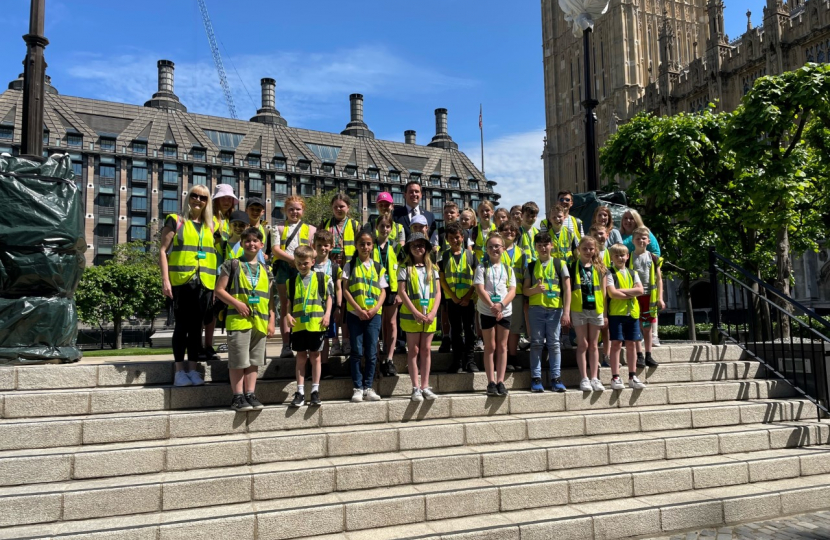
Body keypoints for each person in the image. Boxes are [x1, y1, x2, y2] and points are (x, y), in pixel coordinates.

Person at [213, 227, 276, 411]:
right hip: (238, 320)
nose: (251, 244)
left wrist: (272, 320)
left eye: (255, 241)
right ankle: (237, 396)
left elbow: (270, 299)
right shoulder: (232, 264)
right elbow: (219, 290)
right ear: (241, 243)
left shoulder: (267, 269)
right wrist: (237, 304)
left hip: (260, 321)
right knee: (239, 360)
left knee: (254, 361)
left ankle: (250, 393)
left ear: (261, 244)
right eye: (247, 241)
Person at [159, 184, 215, 386]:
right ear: (188, 197)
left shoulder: (211, 226)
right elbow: (163, 251)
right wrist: (165, 280)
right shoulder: (176, 221)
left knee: (196, 328)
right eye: (194, 196)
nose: (198, 200)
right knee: (181, 327)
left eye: (203, 197)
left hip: (205, 283)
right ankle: (179, 371)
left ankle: (192, 369)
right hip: (181, 282)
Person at [286, 246, 334, 407]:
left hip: (316, 324)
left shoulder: (322, 278)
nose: (302, 266)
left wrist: (327, 314)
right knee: (300, 357)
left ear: (313, 262)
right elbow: (289, 302)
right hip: (299, 325)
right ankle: (299, 391)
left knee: (315, 357)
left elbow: (329, 298)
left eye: (305, 263)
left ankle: (315, 390)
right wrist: (287, 314)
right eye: (299, 263)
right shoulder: (291, 282)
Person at [342, 231, 387, 402]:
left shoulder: (377, 266)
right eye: (362, 243)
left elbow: (383, 290)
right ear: (356, 245)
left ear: (372, 246)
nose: (365, 247)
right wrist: (359, 309)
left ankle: (369, 386)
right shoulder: (350, 265)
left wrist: (375, 308)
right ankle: (357, 387)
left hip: (374, 315)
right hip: (355, 314)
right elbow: (345, 290)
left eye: (368, 244)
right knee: (356, 351)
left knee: (371, 352)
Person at [523, 232, 570, 392]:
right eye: (540, 245)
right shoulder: (531, 265)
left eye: (546, 244)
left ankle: (556, 379)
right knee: (536, 343)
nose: (543, 248)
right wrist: (535, 290)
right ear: (535, 247)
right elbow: (525, 291)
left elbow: (567, 289)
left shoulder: (559, 263)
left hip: (555, 310)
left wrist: (566, 312)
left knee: (554, 344)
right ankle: (536, 378)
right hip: (536, 309)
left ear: (551, 245)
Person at [397, 232, 441, 401]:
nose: (418, 248)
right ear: (409, 247)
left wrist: (433, 312)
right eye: (415, 245)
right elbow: (402, 291)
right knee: (413, 350)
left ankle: (425, 385)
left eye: (421, 245)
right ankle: (415, 387)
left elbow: (438, 293)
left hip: (429, 315)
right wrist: (415, 312)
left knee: (426, 349)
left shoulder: (433, 268)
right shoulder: (404, 268)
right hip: (411, 316)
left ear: (427, 248)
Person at [273, 196, 316, 359]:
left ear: (303, 211)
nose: (294, 212)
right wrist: (292, 260)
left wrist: (304, 262)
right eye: (291, 209)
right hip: (284, 268)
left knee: (303, 304)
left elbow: (315, 250)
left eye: (298, 209)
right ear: (285, 210)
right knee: (285, 305)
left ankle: (302, 341)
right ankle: (286, 345)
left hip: (303, 270)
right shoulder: (277, 228)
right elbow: (276, 249)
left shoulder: (311, 229)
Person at [475, 232, 516, 397]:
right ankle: (490, 381)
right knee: (490, 347)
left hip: (505, 311)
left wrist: (501, 305)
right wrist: (493, 306)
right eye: (490, 246)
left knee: (502, 346)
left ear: (503, 248)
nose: (494, 249)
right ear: (486, 249)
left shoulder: (508, 268)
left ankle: (501, 381)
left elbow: (512, 290)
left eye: (497, 246)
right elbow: (479, 288)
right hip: (487, 310)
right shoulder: (481, 267)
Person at [321, 193, 361, 356]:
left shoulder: (355, 224)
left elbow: (361, 246)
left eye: (342, 206)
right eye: (336, 206)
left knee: (345, 306)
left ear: (348, 208)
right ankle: (334, 342)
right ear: (332, 207)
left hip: (348, 269)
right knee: (332, 304)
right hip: (330, 268)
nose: (339, 209)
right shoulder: (325, 224)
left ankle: (346, 340)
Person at [431, 202, 471, 353]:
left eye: (452, 212)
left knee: (464, 316)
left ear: (457, 214)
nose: (449, 215)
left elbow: (469, 251)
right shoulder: (439, 232)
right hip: (445, 274)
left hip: (462, 277)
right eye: (446, 212)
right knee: (445, 309)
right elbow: (435, 250)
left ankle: (465, 343)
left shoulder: (465, 233)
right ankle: (446, 337)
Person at [204, 184, 238, 361]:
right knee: (209, 309)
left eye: (229, 197)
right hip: (210, 269)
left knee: (223, 309)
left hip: (230, 270)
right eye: (223, 197)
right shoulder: (208, 218)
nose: (226, 200)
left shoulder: (232, 220)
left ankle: (227, 345)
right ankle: (206, 345)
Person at [439, 222, 478, 373]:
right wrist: (453, 297)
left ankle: (470, 360)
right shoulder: (444, 256)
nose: (455, 240)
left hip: (468, 300)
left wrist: (468, 296)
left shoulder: (471, 255)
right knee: (455, 331)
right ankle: (457, 362)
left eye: (457, 237)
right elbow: (442, 280)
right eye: (451, 238)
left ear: (462, 237)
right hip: (453, 300)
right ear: (447, 240)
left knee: (470, 330)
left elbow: (476, 278)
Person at [605, 244, 646, 390]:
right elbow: (612, 293)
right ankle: (615, 376)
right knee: (616, 344)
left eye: (623, 255)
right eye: (616, 255)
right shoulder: (609, 273)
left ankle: (632, 375)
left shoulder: (632, 273)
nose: (620, 258)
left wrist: (622, 291)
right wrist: (631, 292)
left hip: (632, 313)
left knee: (631, 344)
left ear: (627, 256)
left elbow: (640, 290)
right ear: (611, 258)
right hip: (617, 313)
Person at [620, 209, 663, 347]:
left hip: (647, 275)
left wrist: (649, 262)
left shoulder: (645, 232)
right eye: (625, 218)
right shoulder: (619, 235)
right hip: (630, 277)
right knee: (635, 312)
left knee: (650, 309)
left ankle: (653, 336)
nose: (628, 221)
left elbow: (656, 251)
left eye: (631, 218)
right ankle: (635, 336)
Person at [570, 236, 608, 392]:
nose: (588, 251)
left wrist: (605, 314)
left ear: (595, 250)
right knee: (583, 344)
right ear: (579, 249)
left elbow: (604, 293)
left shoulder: (600, 268)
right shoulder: (572, 266)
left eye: (591, 249)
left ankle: (594, 378)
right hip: (578, 308)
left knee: (593, 344)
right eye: (584, 248)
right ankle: (584, 378)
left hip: (596, 309)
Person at [630, 227, 665, 368]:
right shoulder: (629, 257)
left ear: (648, 240)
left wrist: (660, 298)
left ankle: (649, 354)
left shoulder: (653, 258)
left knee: (647, 327)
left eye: (643, 238)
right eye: (638, 239)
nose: (641, 241)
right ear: (633, 241)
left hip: (649, 298)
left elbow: (659, 279)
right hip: (635, 297)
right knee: (637, 326)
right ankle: (639, 355)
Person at [373, 215, 401, 377]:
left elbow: (401, 269)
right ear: (377, 227)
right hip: (375, 290)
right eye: (382, 226)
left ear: (391, 229)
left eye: (387, 226)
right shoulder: (371, 245)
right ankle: (375, 357)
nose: (384, 229)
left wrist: (399, 292)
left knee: (391, 324)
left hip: (391, 289)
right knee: (376, 325)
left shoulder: (396, 246)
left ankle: (389, 358)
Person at [311, 230, 342, 371]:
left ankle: (324, 365)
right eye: (319, 245)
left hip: (328, 308)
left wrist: (338, 307)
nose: (323, 248)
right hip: (311, 307)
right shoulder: (309, 266)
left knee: (325, 338)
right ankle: (313, 366)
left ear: (331, 246)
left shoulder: (335, 267)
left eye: (326, 245)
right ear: (313, 245)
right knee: (311, 337)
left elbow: (338, 288)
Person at [498, 221, 527, 372]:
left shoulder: (521, 252)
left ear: (516, 233)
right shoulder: (496, 250)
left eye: (512, 230)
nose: (509, 232)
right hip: (500, 296)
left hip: (517, 294)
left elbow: (526, 274)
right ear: (500, 232)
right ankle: (502, 357)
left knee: (515, 328)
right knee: (502, 327)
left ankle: (513, 356)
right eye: (505, 230)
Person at [590, 224, 614, 368]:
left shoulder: (611, 253)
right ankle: (595, 357)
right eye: (596, 235)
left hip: (609, 294)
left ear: (607, 235)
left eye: (601, 234)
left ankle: (607, 355)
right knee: (593, 329)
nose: (599, 237)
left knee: (606, 327)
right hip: (593, 294)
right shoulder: (590, 254)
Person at [245, 197, 270, 263]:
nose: (255, 212)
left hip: (260, 266)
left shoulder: (267, 231)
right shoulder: (241, 229)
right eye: (252, 209)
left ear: (263, 212)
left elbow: (270, 252)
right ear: (246, 210)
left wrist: (267, 256)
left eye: (258, 210)